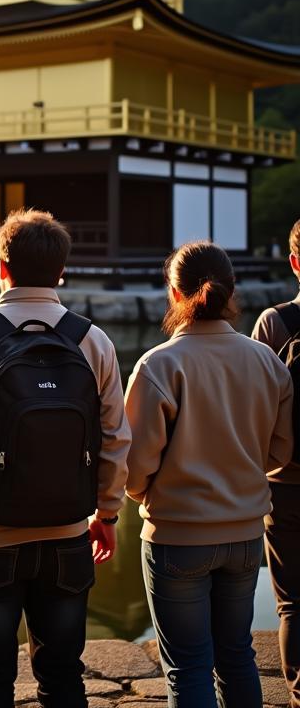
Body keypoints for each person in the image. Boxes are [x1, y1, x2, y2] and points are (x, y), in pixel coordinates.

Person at [0, 208, 130, 708]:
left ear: (1, 267)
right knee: (63, 680)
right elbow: (116, 440)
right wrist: (108, 511)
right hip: (67, 534)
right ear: (61, 272)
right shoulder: (92, 340)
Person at [126, 241, 293, 708]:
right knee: (236, 656)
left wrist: (145, 495)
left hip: (176, 535)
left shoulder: (159, 364)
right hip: (244, 536)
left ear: (173, 293)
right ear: (231, 291)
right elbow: (281, 452)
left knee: (187, 666)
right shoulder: (266, 361)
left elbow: (134, 468)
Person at [252, 219, 300, 707]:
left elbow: (255, 407)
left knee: (292, 602)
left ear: (293, 263)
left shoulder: (275, 322)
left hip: (285, 482)